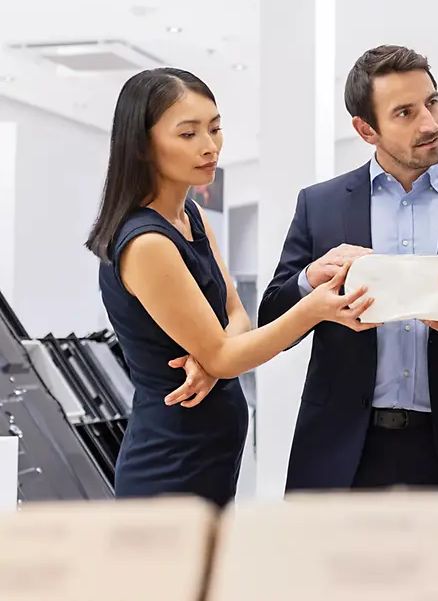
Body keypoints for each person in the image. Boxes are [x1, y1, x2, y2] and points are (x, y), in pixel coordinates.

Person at [86, 68, 375, 507]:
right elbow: (224, 352)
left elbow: (237, 316)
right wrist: (312, 309)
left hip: (212, 453)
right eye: (188, 134)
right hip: (170, 460)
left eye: (215, 128)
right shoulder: (147, 243)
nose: (210, 146)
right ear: (142, 146)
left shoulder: (192, 218)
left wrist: (211, 358)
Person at [258, 45, 438, 492]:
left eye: (432, 102)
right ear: (366, 129)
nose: (429, 123)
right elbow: (271, 316)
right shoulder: (320, 205)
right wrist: (311, 280)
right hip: (340, 452)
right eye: (405, 113)